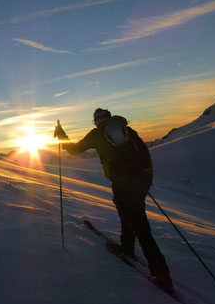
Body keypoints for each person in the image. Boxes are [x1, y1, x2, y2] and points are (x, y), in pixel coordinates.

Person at [54, 108, 173, 293]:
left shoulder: (97, 134)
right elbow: (142, 154)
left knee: (138, 224)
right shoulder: (126, 128)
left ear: (95, 122)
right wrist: (142, 180)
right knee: (129, 215)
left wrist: (61, 134)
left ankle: (161, 274)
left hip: (123, 182)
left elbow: (74, 149)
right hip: (142, 179)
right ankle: (127, 248)